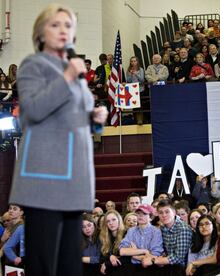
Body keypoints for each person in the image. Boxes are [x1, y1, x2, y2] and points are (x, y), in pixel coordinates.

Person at [8, 4, 108, 276]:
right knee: (43, 262)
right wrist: (66, 76)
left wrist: (94, 119)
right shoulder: (34, 65)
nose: (63, 30)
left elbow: (72, 117)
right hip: (45, 176)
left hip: (75, 177)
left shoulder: (71, 69)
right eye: (55, 24)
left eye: (68, 25)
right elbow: (32, 112)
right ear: (40, 32)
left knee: (69, 264)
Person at [119, 204, 163, 270]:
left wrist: (134, 255)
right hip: (133, 267)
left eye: (144, 214)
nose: (140, 216)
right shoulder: (132, 230)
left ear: (150, 217)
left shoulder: (156, 231)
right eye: (138, 213)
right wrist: (144, 251)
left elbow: (154, 255)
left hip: (151, 268)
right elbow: (122, 251)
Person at [153, 199, 193, 273]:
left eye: (167, 212)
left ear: (174, 213)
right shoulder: (162, 228)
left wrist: (156, 260)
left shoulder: (183, 228)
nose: (164, 215)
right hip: (167, 264)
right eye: (161, 213)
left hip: (182, 268)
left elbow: (179, 258)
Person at [99, 210, 126, 275]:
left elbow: (126, 258)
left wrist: (106, 263)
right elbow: (101, 258)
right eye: (108, 221)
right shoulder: (104, 237)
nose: (111, 223)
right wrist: (110, 256)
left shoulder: (126, 234)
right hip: (110, 271)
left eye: (113, 220)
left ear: (119, 220)